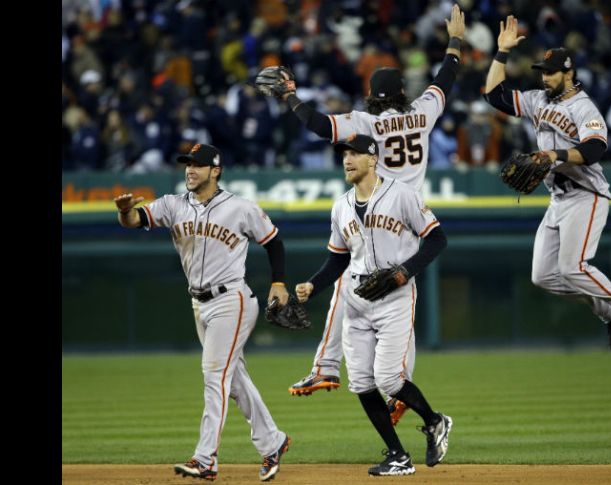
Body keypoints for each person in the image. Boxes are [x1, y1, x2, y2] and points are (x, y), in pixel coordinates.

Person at [276, 4, 466, 424]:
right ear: (401, 93)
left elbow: (318, 125)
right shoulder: (421, 114)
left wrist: (289, 97)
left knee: (353, 282)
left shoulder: (365, 125)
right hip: (411, 217)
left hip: (379, 209)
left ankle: (326, 368)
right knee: (397, 296)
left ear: (371, 96)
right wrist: (455, 42)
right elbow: (445, 79)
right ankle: (394, 386)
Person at [113, 143, 292, 481]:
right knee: (234, 380)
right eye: (187, 164)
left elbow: (274, 241)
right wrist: (125, 212)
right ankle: (274, 442)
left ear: (216, 170)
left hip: (232, 300)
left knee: (214, 376)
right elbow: (136, 220)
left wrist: (279, 283)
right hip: (199, 303)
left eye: (198, 165)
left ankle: (205, 459)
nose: (190, 170)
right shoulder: (173, 204)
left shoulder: (240, 208)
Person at [483, 16, 611, 355]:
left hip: (587, 195)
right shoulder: (538, 100)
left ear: (568, 73)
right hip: (557, 200)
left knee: (574, 269)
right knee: (544, 276)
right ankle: (610, 312)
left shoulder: (583, 107)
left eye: (551, 72)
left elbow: (595, 149)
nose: (545, 78)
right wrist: (500, 53)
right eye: (542, 72)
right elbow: (494, 96)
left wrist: (553, 154)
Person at [295, 134, 451, 476]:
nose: (347, 160)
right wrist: (312, 286)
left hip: (395, 297)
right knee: (362, 383)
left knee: (389, 379)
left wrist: (403, 273)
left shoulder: (402, 195)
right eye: (343, 155)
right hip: (357, 299)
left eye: (354, 154)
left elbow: (437, 239)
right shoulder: (340, 206)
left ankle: (435, 421)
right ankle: (398, 455)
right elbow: (337, 260)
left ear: (373, 159)